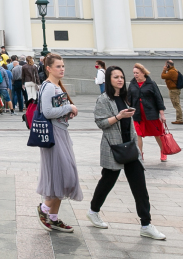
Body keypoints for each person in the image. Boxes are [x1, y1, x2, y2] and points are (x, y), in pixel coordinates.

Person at [87, 65, 166, 240]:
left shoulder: (126, 97)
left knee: (140, 187)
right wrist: (119, 116)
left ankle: (146, 224)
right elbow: (101, 123)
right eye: (115, 77)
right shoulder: (104, 99)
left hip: (130, 147)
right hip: (113, 148)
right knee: (107, 182)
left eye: (121, 76)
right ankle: (93, 211)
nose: (120, 79)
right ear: (109, 80)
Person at [35, 53, 81, 233]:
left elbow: (54, 110)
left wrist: (65, 112)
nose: (62, 69)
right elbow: (47, 111)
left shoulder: (55, 86)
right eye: (58, 66)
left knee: (62, 175)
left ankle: (53, 218)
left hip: (60, 132)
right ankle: (44, 209)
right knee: (62, 173)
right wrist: (69, 107)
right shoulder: (48, 87)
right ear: (48, 68)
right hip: (53, 135)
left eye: (63, 66)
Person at [129, 63, 169, 161]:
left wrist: (162, 114)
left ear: (143, 73)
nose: (135, 75)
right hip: (137, 114)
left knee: (157, 133)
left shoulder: (151, 83)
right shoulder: (132, 84)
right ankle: (139, 154)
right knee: (138, 134)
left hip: (151, 114)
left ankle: (163, 151)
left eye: (137, 73)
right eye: (134, 73)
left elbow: (158, 99)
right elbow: (128, 99)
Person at [160, 60, 183, 125]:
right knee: (176, 104)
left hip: (174, 90)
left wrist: (164, 70)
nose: (165, 66)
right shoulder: (173, 70)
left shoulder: (172, 71)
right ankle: (179, 119)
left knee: (176, 104)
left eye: (166, 65)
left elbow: (163, 76)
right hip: (174, 90)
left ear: (168, 65)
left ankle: (179, 119)